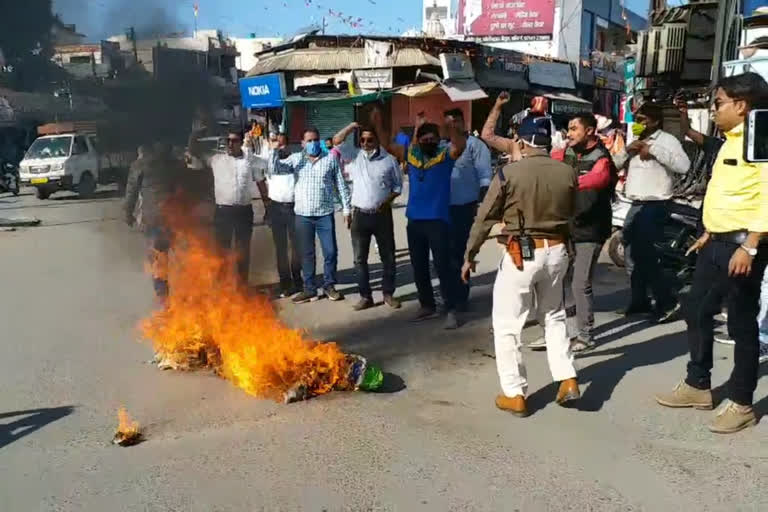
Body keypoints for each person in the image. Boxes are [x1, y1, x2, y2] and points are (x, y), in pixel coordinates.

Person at [655, 72, 768, 434]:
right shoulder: (731, 141)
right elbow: (726, 194)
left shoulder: (761, 140)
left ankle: (742, 401)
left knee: (740, 323)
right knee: (696, 309)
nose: (714, 110)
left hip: (742, 247)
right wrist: (708, 232)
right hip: (717, 242)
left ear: (741, 104)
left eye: (718, 103)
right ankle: (698, 385)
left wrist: (750, 245)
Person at [464, 114, 580, 417]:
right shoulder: (567, 172)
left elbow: (484, 217)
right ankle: (567, 379)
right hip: (557, 250)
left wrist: (469, 255)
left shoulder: (508, 173)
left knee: (507, 325)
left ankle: (515, 394)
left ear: (520, 140)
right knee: (554, 315)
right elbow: (572, 213)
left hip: (522, 254)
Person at [387, 119, 467, 329]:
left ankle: (451, 309)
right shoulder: (412, 156)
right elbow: (390, 146)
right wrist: (379, 122)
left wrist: (454, 128)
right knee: (419, 267)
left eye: (433, 139)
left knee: (444, 267)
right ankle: (427, 305)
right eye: (425, 139)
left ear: (439, 140)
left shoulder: (444, 156)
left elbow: (459, 147)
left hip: (438, 221)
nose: (429, 142)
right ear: (419, 141)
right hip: (414, 221)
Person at [617, 103, 690, 322]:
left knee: (648, 256)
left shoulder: (667, 141)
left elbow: (683, 166)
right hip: (635, 204)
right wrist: (627, 151)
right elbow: (614, 164)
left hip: (655, 204)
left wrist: (655, 151)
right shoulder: (634, 140)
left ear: (655, 121)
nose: (639, 124)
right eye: (637, 119)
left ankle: (666, 302)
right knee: (631, 256)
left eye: (643, 120)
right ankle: (639, 301)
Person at [271, 127, 352, 304]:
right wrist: (275, 149)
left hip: (324, 214)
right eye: (309, 141)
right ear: (302, 144)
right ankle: (309, 289)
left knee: (330, 252)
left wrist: (347, 209)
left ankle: (329, 286)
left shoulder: (330, 159)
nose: (313, 143)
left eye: (315, 140)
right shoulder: (296, 160)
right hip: (302, 216)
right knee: (307, 254)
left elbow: (341, 184)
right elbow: (275, 168)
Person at [333, 112, 403, 311]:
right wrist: (352, 126)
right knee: (359, 259)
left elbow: (398, 187)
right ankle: (366, 296)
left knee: (388, 256)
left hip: (382, 214)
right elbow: (336, 141)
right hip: (360, 215)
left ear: (376, 140)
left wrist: (386, 201)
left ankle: (388, 294)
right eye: (362, 139)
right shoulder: (354, 156)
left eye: (369, 139)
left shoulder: (389, 160)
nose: (365, 143)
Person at [561, 113, 617, 351]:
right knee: (561, 278)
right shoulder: (568, 153)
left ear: (591, 131)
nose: (569, 133)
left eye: (574, 129)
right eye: (568, 129)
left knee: (580, 283)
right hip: (569, 225)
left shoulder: (602, 159)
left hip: (591, 229)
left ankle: (585, 334)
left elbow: (596, 179)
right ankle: (563, 327)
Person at [203, 128, 268, 286]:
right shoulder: (216, 160)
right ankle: (222, 286)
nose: (230, 144)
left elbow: (260, 180)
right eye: (228, 141)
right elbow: (194, 156)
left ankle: (241, 285)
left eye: (234, 141)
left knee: (243, 250)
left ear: (240, 143)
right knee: (221, 250)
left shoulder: (249, 161)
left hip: (244, 212)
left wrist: (267, 204)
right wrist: (195, 135)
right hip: (223, 212)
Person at [123, 143, 186, 299]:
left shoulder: (139, 165)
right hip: (174, 218)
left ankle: (163, 296)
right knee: (179, 255)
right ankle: (186, 291)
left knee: (157, 258)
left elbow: (131, 191)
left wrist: (128, 213)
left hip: (152, 219)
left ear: (141, 150)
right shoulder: (174, 163)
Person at [444, 108, 492, 311]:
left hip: (465, 208)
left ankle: (460, 298)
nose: (452, 126)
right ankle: (448, 295)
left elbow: (485, 177)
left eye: (456, 121)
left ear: (463, 123)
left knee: (461, 254)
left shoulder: (475, 145)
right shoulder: (441, 146)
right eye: (448, 123)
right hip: (442, 209)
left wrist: (480, 207)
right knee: (444, 256)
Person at [266, 132, 302, 298]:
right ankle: (285, 283)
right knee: (280, 248)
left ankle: (298, 280)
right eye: (276, 144)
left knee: (296, 247)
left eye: (282, 144)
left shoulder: (294, 160)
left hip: (294, 208)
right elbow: (272, 169)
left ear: (287, 145)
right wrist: (272, 150)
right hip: (276, 209)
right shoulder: (269, 161)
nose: (279, 147)